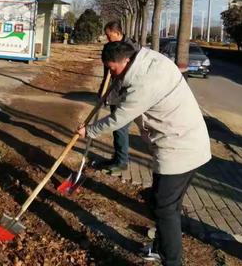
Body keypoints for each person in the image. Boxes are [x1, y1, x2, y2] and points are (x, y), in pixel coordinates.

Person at [78, 42, 211, 266]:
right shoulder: (147, 59)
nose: (111, 74)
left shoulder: (144, 84)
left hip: (180, 149)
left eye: (113, 69)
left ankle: (172, 261)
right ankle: (161, 248)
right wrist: (114, 87)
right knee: (165, 204)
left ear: (126, 61)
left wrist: (88, 131)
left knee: (164, 208)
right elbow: (124, 91)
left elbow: (119, 117)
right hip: (188, 143)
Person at [96, 20, 138, 176]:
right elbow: (107, 73)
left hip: (124, 94)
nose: (107, 38)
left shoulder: (131, 49)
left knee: (120, 128)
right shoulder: (110, 48)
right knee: (116, 129)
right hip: (113, 92)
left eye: (109, 35)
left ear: (118, 33)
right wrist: (102, 90)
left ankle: (122, 162)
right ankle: (117, 157)